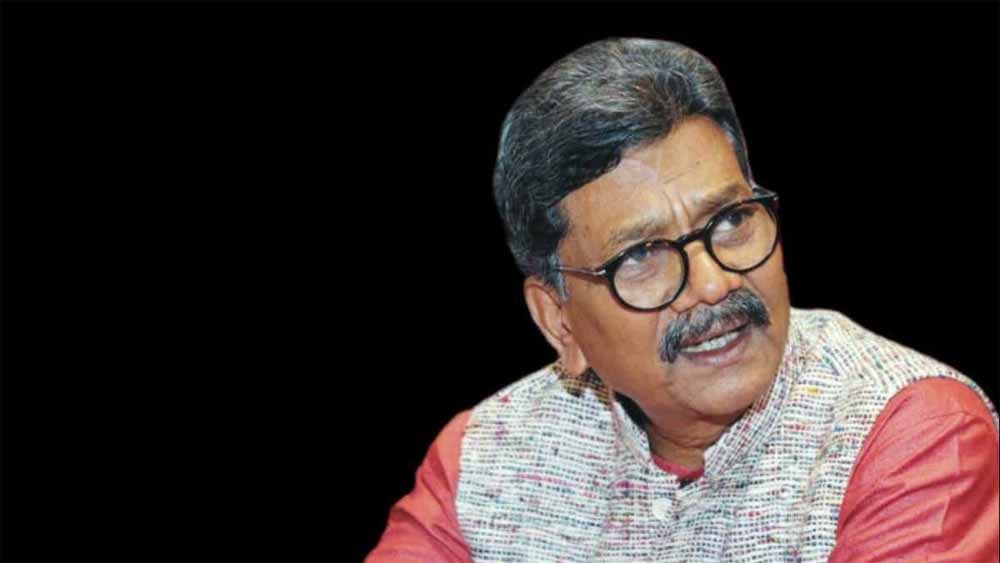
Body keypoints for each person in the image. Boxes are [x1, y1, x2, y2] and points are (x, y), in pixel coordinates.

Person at [367, 38, 999, 562]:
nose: (714, 283)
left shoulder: (910, 431)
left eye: (731, 220)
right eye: (641, 255)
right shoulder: (487, 459)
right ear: (560, 322)